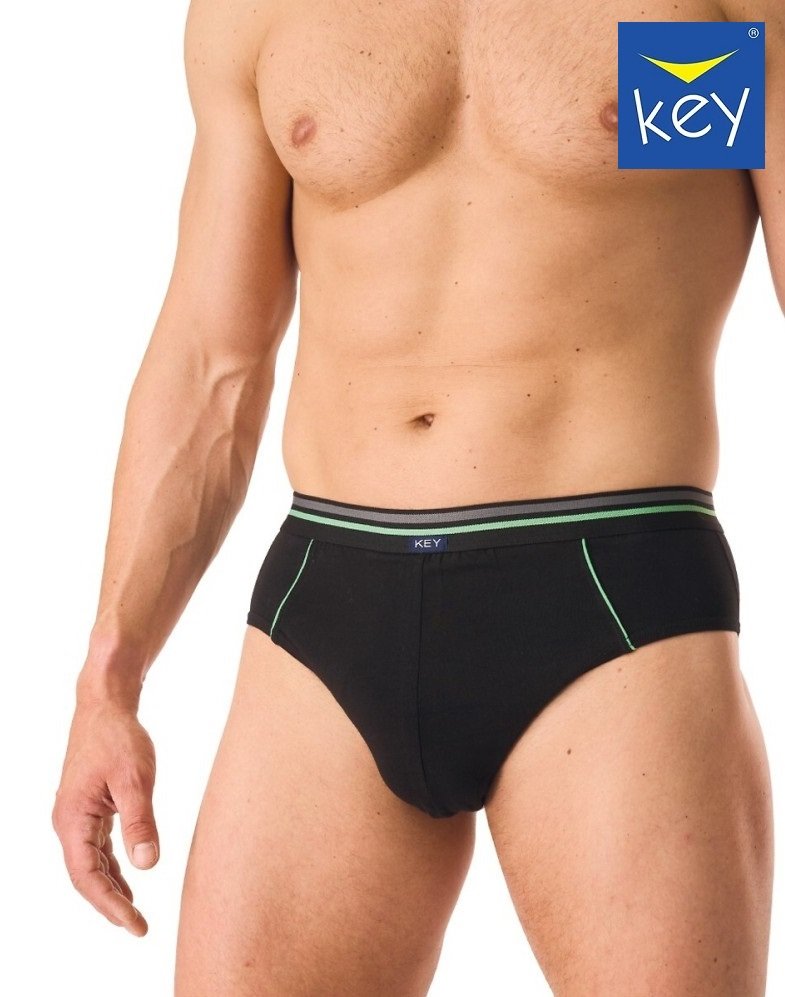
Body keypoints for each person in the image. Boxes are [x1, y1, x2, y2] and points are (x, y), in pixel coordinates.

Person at [52, 0, 782, 993]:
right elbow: (214, 360)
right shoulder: (259, 14)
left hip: (609, 596)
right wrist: (108, 680)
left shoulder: (700, 11)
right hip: (327, 605)